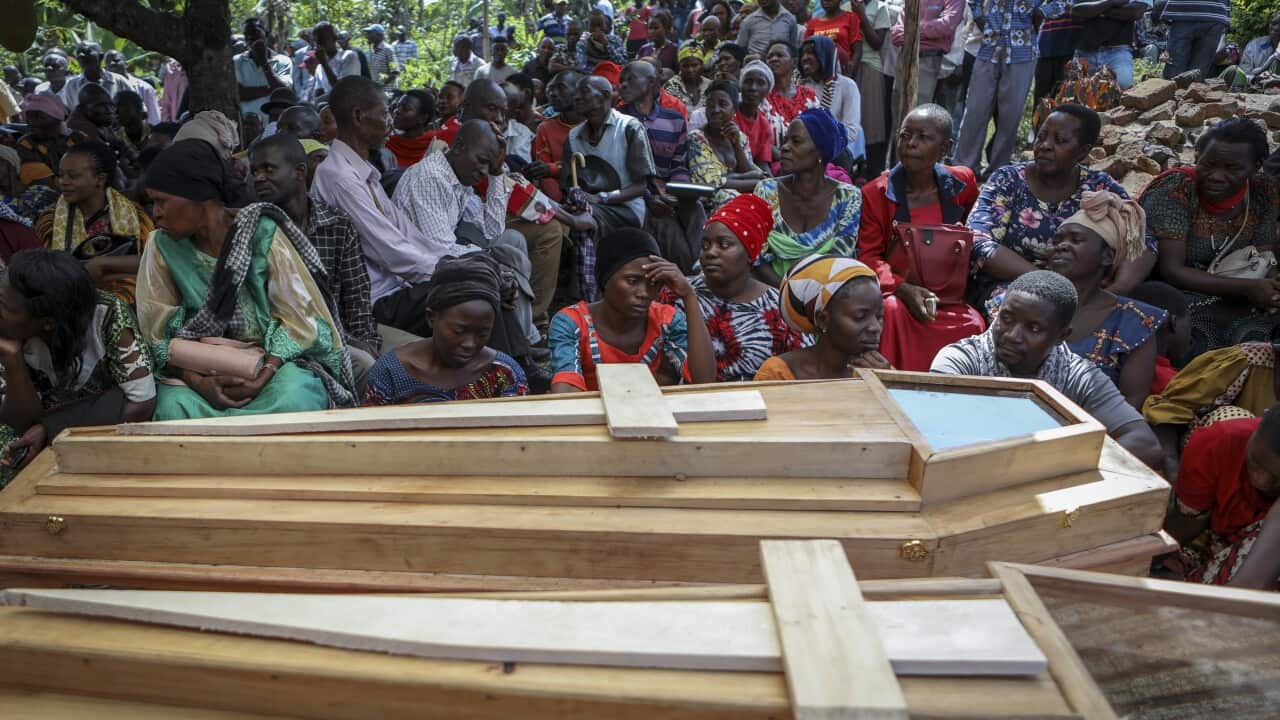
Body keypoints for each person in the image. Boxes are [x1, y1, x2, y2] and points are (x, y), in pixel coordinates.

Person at [137, 139, 355, 420]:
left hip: (269, 362)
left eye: (161, 201)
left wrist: (263, 375)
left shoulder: (262, 234)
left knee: (295, 398)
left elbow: (300, 320)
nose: (155, 213)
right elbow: (157, 332)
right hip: (195, 369)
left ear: (198, 195)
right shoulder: (160, 245)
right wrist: (198, 382)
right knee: (173, 409)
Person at [931, 270, 1164, 467]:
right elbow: (935, 429)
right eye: (1007, 319)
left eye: (1033, 328)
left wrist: (1049, 466)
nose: (1012, 336)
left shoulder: (1077, 375)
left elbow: (1145, 444)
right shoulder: (960, 360)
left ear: (1061, 336)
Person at [968, 104, 1152, 309]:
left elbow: (1144, 241)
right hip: (1011, 286)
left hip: (1084, 292)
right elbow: (979, 242)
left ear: (1083, 152)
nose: (1045, 145)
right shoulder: (1008, 180)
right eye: (1041, 136)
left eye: (1060, 140)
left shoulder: (1098, 187)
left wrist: (1117, 290)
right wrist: (1053, 285)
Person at [0, 249, 156, 487]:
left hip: (101, 428)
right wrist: (14, 363)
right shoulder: (8, 336)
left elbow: (141, 405)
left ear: (47, 322)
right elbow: (19, 423)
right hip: (41, 430)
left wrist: (51, 428)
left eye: (6, 308)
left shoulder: (107, 315)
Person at [1140, 117, 1280, 360]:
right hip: (1178, 293)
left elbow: (1263, 254)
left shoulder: (1264, 190)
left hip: (1238, 287)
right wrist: (1249, 289)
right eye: (1208, 164)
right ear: (1197, 157)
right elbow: (1172, 270)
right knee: (1200, 343)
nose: (1215, 176)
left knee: (1265, 338)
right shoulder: (1177, 189)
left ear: (1256, 167)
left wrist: (1271, 288)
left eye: (1232, 168)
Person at [250, 134, 381, 391]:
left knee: (408, 359)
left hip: (339, 333)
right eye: (254, 171)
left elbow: (357, 295)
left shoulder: (336, 224)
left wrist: (367, 339)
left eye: (268, 169)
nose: (258, 178)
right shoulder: (253, 229)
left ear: (300, 171)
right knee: (366, 367)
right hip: (285, 343)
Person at [858, 105, 984, 371]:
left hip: (949, 296)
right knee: (891, 311)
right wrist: (902, 287)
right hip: (901, 294)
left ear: (945, 147)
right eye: (905, 135)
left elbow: (975, 233)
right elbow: (869, 256)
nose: (910, 144)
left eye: (923, 137)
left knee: (974, 323)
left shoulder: (962, 183)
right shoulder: (876, 193)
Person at [549, 228, 716, 392]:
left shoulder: (666, 320)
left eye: (653, 283)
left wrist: (689, 295)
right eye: (632, 281)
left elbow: (704, 382)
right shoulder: (572, 322)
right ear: (605, 279)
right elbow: (565, 393)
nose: (644, 293)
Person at [662, 194, 805, 381]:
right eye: (705, 245)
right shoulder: (676, 294)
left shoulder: (779, 308)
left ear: (750, 253)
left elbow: (801, 372)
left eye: (724, 245)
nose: (710, 253)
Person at [1048, 190, 1165, 410]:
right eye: (1057, 240)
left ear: (1107, 257)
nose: (1061, 246)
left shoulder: (1134, 321)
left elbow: (1132, 402)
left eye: (1076, 240)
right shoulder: (1021, 301)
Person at [365, 252, 529, 405]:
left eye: (483, 333)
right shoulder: (391, 372)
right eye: (459, 331)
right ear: (431, 318)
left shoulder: (504, 374)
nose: (469, 343)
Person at [1162, 407, 1280, 586]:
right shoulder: (1219, 443)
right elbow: (1187, 523)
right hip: (1210, 549)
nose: (1260, 480)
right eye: (1256, 462)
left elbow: (1250, 584)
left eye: (1277, 477)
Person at [33, 141, 152, 303]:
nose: (63, 182)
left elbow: (151, 263)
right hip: (66, 304)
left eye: (73, 176)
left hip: (129, 303)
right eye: (61, 175)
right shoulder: (50, 221)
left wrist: (101, 264)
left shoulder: (135, 216)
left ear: (100, 179)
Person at [754, 108, 860, 285]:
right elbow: (758, 258)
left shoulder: (848, 197)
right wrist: (789, 296)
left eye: (796, 141)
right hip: (771, 290)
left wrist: (808, 299)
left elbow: (840, 259)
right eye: (785, 140)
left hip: (825, 292)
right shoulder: (767, 191)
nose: (784, 147)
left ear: (820, 152)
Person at [617, 60, 701, 273]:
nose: (623, 85)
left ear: (651, 83)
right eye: (621, 81)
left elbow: (679, 164)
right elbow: (619, 171)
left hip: (667, 194)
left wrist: (679, 191)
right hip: (639, 195)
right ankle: (690, 275)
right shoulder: (617, 121)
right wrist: (650, 197)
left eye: (631, 79)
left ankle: (702, 262)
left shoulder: (673, 119)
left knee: (695, 208)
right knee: (670, 234)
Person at [754, 254, 888, 380]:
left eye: (879, 316)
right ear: (823, 319)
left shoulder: (880, 373)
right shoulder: (778, 374)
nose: (875, 327)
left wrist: (888, 383)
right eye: (860, 317)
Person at [954, 0, 1049, 177]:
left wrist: (1043, 11)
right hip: (989, 47)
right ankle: (964, 170)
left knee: (1010, 117)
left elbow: (1064, 2)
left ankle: (997, 172)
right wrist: (979, 17)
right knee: (975, 111)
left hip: (1023, 51)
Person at [563, 75, 658, 251]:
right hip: (588, 206)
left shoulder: (629, 127)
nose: (576, 97)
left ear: (606, 95)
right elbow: (569, 186)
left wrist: (601, 198)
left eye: (584, 91)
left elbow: (640, 187)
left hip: (626, 208)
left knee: (586, 219)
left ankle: (587, 277)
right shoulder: (573, 136)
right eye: (576, 92)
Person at [688, 80, 764, 208]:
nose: (715, 110)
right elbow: (711, 183)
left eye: (722, 104)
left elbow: (754, 173)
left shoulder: (741, 137)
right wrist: (752, 181)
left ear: (734, 109)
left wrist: (736, 145)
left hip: (742, 197)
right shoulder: (696, 138)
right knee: (732, 197)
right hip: (712, 203)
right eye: (710, 105)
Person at [798, 35, 861, 165]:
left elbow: (851, 130)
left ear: (825, 54)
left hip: (836, 150)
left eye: (811, 53)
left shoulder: (847, 86)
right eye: (803, 54)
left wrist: (821, 144)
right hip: (803, 149)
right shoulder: (800, 86)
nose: (805, 58)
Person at [889, 0, 963, 106]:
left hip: (928, 60)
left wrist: (911, 29)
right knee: (898, 106)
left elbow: (947, 26)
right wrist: (928, 33)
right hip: (904, 57)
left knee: (918, 111)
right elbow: (896, 35)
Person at [1071, 0, 1149, 90]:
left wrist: (1096, 10)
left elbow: (1135, 12)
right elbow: (1076, 11)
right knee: (1081, 94)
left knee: (1123, 86)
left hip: (1118, 51)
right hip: (1085, 51)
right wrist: (1112, 2)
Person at [532, 70, 584, 203]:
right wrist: (561, 204)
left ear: (580, 92)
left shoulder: (595, 123)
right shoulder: (545, 128)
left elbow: (590, 165)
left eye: (561, 88)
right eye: (550, 89)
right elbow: (545, 175)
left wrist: (553, 169)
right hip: (563, 199)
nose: (553, 94)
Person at [16, 92, 84, 190]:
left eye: (39, 117)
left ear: (57, 118)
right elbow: (45, 181)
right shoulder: (26, 144)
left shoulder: (77, 138)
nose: (32, 122)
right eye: (29, 117)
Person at [234, 18, 294, 121]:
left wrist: (264, 62)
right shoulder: (237, 61)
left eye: (255, 33)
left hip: (274, 123)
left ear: (266, 35)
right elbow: (240, 94)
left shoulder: (283, 61)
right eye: (246, 34)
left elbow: (282, 93)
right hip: (246, 123)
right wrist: (271, 89)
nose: (250, 37)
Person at [762, 40, 817, 154]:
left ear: (794, 62)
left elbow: (818, 133)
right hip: (775, 162)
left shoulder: (809, 96)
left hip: (808, 159)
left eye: (780, 55)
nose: (773, 59)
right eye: (769, 57)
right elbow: (760, 140)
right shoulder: (761, 97)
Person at [1161, 0, 1231, 81]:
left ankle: (1171, 91)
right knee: (1198, 72)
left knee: (1174, 71)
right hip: (1216, 12)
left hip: (1183, 11)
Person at [62, 43, 127, 114]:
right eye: (78, 53)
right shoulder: (71, 85)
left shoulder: (119, 80)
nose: (81, 55)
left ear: (100, 56)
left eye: (86, 52)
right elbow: (72, 112)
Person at [736, 60, 777, 172]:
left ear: (768, 90)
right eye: (748, 81)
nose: (753, 88)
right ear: (741, 85)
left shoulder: (763, 124)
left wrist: (771, 183)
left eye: (760, 83)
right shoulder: (730, 115)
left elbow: (762, 163)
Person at [103, 50, 161, 126]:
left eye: (116, 61)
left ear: (126, 64)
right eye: (108, 62)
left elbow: (154, 119)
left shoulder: (144, 88)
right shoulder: (104, 89)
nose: (112, 64)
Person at [805, 0, 864, 70]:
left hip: (842, 70)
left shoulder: (851, 18)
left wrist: (850, 71)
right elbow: (805, 50)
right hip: (817, 71)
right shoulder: (812, 23)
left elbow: (857, 51)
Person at [387, 90, 437, 168]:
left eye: (406, 109)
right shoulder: (388, 143)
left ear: (422, 118)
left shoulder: (435, 145)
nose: (397, 111)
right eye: (397, 106)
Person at [311, 22, 361, 100]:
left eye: (322, 39)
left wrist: (324, 64)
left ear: (334, 38)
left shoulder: (349, 56)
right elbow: (318, 93)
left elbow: (341, 91)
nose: (318, 44)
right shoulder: (320, 67)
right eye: (315, 41)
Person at [666, 43, 712, 110]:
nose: (690, 70)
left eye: (694, 65)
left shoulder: (710, 85)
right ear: (679, 67)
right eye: (685, 66)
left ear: (702, 65)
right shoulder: (671, 86)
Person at [363, 24, 400, 89]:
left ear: (378, 35)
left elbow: (394, 72)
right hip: (374, 90)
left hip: (387, 91)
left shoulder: (388, 49)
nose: (367, 36)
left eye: (370, 33)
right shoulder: (370, 51)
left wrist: (381, 85)